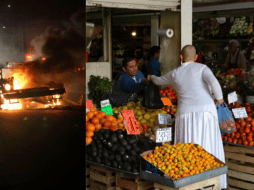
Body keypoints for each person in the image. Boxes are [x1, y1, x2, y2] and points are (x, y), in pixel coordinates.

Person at [148, 45, 227, 189]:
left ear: (181, 57)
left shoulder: (175, 73)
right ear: (196, 57)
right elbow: (214, 83)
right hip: (206, 113)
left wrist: (150, 77)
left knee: (188, 146)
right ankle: (212, 181)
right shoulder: (202, 68)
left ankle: (190, 184)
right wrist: (220, 99)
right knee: (208, 143)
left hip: (185, 115)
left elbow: (158, 81)